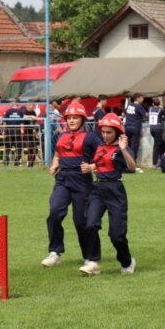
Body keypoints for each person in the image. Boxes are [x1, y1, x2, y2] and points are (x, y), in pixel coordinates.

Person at [42, 99, 101, 267]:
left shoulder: (90, 138)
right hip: (62, 179)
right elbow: (58, 154)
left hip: (82, 181)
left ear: (82, 119)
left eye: (75, 117)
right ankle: (55, 252)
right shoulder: (62, 135)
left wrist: (91, 167)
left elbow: (103, 156)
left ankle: (89, 257)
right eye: (69, 118)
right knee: (54, 212)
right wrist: (54, 164)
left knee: (81, 221)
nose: (71, 121)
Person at [79, 113, 136, 275]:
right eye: (103, 132)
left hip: (115, 190)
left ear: (117, 132)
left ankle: (127, 261)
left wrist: (124, 150)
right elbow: (100, 163)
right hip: (98, 188)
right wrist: (91, 167)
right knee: (90, 224)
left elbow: (132, 167)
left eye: (109, 132)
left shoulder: (122, 148)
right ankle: (93, 262)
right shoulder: (100, 146)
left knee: (116, 235)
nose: (105, 135)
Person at [123, 94, 147, 167]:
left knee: (128, 146)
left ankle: (127, 163)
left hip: (127, 127)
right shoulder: (139, 106)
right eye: (141, 98)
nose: (143, 99)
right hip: (135, 127)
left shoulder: (129, 105)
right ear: (137, 98)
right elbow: (145, 115)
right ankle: (133, 163)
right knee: (134, 146)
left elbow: (124, 112)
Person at [147, 96, 165, 168]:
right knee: (157, 146)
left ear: (152, 103)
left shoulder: (150, 109)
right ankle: (154, 163)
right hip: (158, 128)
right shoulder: (160, 110)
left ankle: (162, 160)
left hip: (152, 128)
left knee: (161, 144)